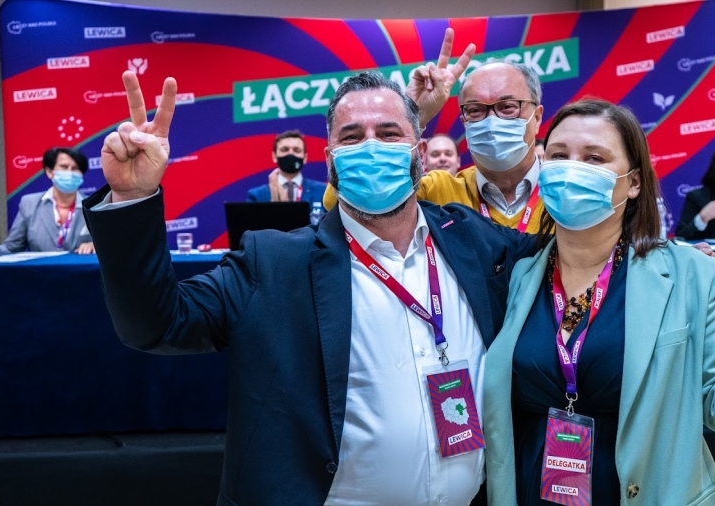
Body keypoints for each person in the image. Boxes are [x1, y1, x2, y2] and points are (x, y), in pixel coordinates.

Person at [82, 52, 542, 503]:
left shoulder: (474, 240)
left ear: (419, 154)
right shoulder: (272, 263)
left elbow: (561, 259)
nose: (371, 148)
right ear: (330, 158)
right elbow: (157, 324)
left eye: (388, 134)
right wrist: (132, 199)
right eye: (352, 137)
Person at [482, 100, 715, 505]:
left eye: (594, 158)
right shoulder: (517, 276)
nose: (572, 169)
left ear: (635, 182)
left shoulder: (691, 275)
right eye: (558, 156)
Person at [326, 60, 547, 233]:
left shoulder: (562, 189)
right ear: (464, 122)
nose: (491, 121)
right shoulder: (439, 190)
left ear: (536, 117)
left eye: (507, 107)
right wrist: (411, 115)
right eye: (475, 110)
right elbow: (338, 200)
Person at [0, 147, 95, 255]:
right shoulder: (29, 204)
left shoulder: (93, 206)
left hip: (81, 266)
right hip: (42, 266)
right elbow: (12, 247)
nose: (70, 172)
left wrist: (95, 245)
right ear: (49, 172)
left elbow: (106, 243)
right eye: (64, 167)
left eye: (75, 168)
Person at [246, 130, 327, 205]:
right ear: (274, 156)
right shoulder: (257, 196)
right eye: (284, 149)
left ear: (305, 158)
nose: (290, 154)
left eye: (296, 150)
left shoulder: (323, 191)